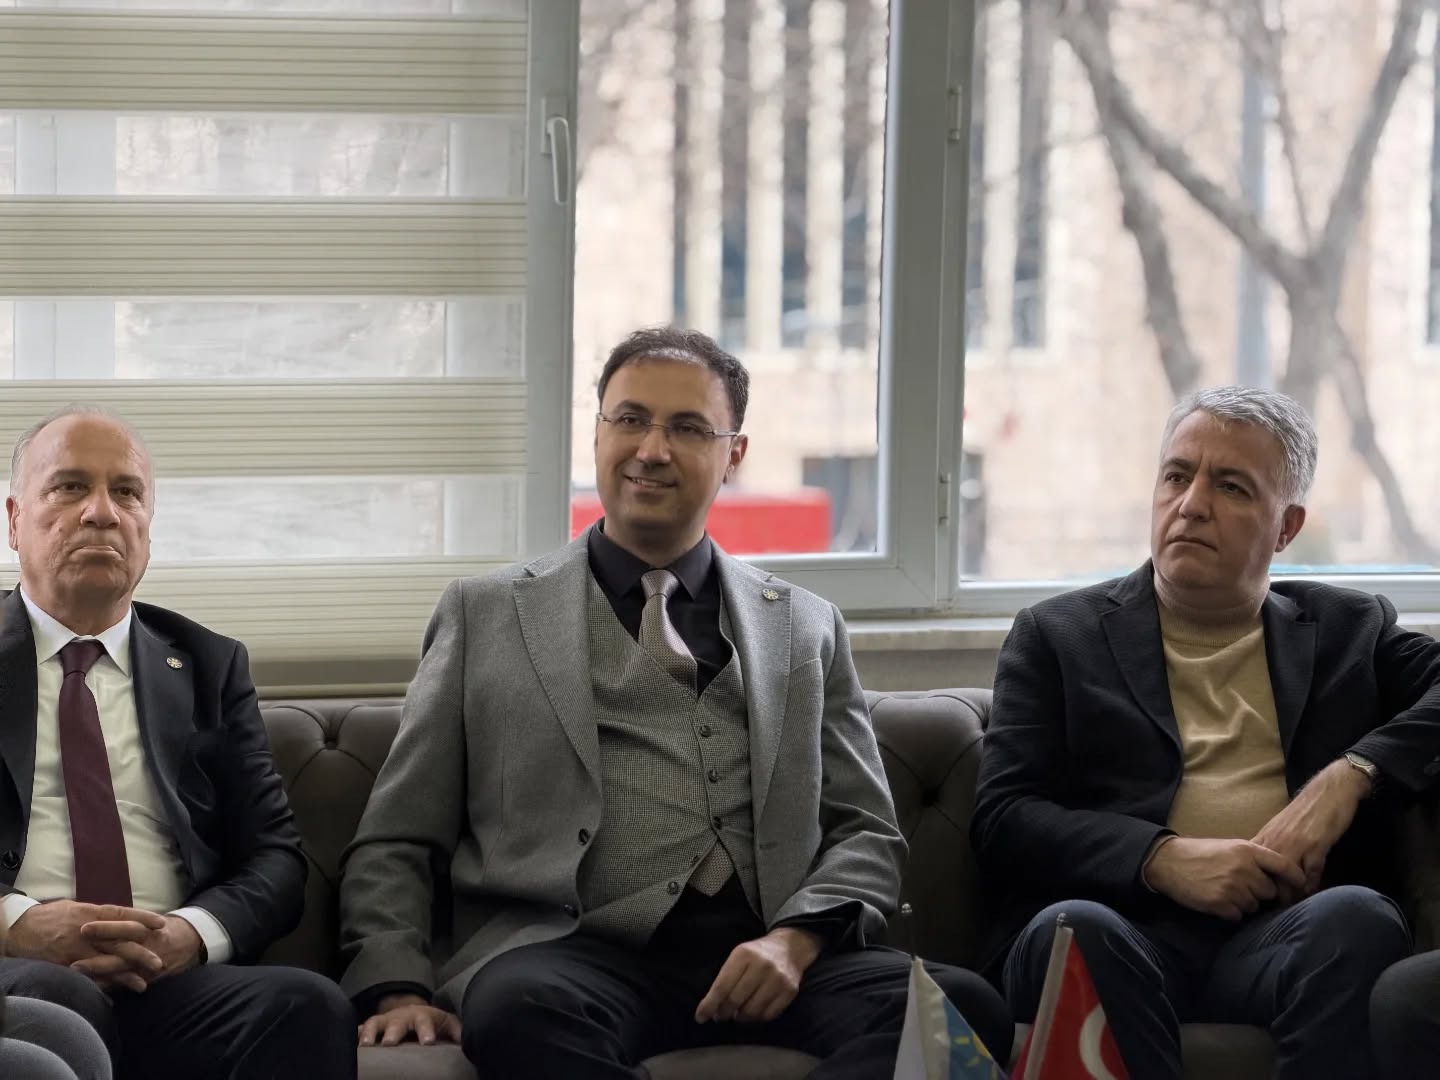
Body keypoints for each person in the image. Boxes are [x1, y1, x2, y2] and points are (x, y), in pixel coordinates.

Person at [339, 326, 1012, 1077]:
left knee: (960, 1011)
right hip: (573, 953)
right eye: (630, 419)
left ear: (735, 454)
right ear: (598, 434)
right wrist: (396, 984)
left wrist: (794, 941)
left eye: (688, 428)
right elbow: (398, 835)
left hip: (772, 952)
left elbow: (867, 831)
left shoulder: (806, 625)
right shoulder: (484, 614)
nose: (652, 449)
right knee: (516, 1011)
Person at [970, 385, 1440, 1080]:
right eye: (1176, 475)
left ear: (1286, 527)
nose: (1191, 504)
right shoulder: (1057, 636)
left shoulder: (1348, 631)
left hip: (1280, 937)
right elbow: (1004, 819)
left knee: (1358, 918)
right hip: (1120, 925)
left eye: (1230, 486)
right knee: (1075, 928)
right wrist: (1161, 859)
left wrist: (1352, 774)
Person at [1, 405, 357, 1080]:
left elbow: (275, 860)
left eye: (126, 492)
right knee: (59, 1001)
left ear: (148, 525)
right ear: (16, 520)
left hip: (165, 979)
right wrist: (17, 924)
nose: (102, 513)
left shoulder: (207, 665)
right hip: (19, 974)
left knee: (307, 1006)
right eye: (70, 487)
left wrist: (190, 934)